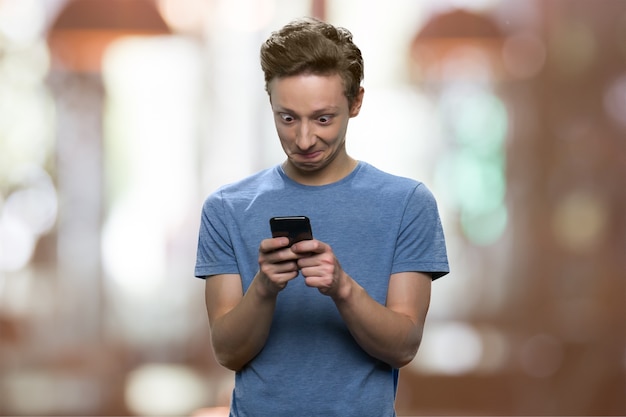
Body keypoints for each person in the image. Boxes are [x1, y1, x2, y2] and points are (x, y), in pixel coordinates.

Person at [195, 17, 449, 417]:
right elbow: (227, 352)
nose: (304, 139)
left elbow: (404, 346)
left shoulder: (407, 203)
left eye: (323, 118)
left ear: (356, 102)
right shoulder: (227, 207)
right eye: (288, 117)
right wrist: (264, 288)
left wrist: (342, 288)